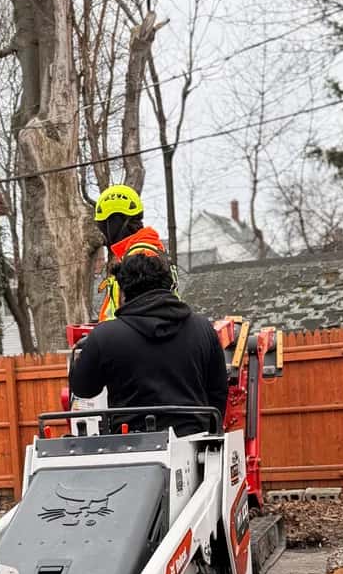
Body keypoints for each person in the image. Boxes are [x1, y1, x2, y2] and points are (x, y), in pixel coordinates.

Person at [69, 250, 227, 435]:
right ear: (169, 285)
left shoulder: (105, 335)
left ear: (123, 291)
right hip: (194, 443)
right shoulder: (203, 329)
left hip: (129, 447)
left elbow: (83, 389)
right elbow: (218, 393)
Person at [93, 183, 175, 320]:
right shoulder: (143, 252)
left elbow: (144, 320)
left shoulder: (142, 258)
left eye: (102, 225)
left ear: (114, 222)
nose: (103, 233)